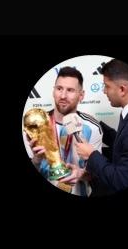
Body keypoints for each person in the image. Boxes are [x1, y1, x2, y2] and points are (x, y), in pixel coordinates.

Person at [69, 61, 128, 196]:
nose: (104, 91)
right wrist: (93, 122)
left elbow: (122, 180)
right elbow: (126, 143)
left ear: (122, 89)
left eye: (107, 86)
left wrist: (91, 154)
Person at [26, 68, 102, 198]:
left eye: (70, 90)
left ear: (81, 95)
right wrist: (37, 159)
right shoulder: (35, 125)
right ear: (53, 91)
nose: (63, 96)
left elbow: (96, 174)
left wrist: (81, 174)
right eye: (59, 88)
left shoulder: (92, 127)